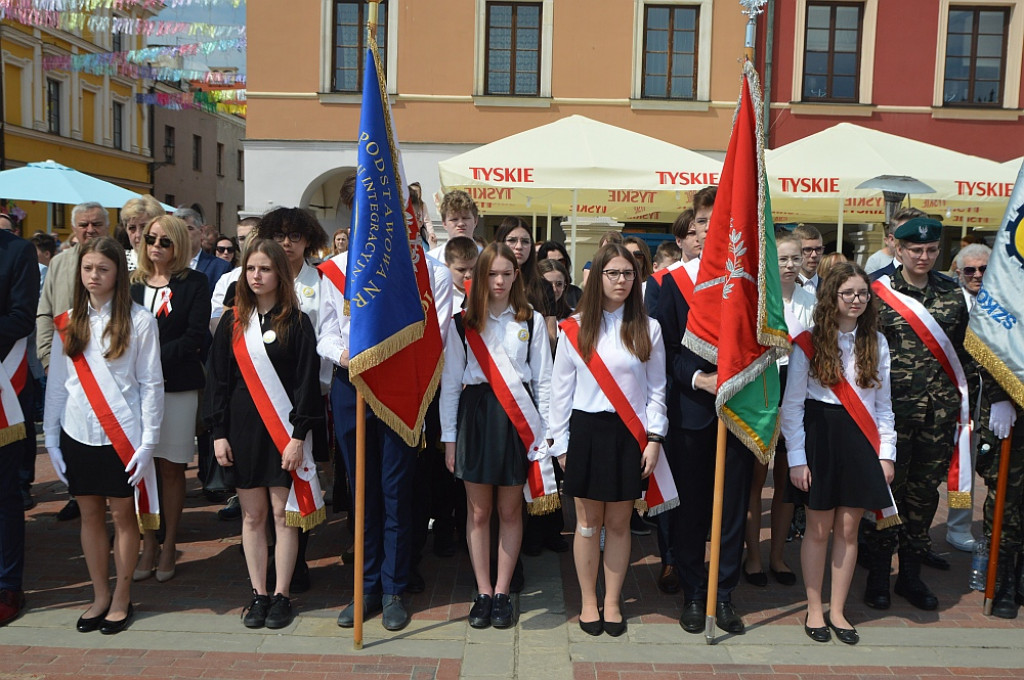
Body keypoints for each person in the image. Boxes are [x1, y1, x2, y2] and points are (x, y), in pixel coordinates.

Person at [320, 217, 453, 632]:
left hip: (399, 385)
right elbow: (324, 333)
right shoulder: (336, 267)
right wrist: (347, 356)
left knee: (396, 490)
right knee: (363, 492)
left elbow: (438, 333)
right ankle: (366, 587)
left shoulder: (431, 270)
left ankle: (395, 587)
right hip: (352, 383)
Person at [45, 237, 163, 634]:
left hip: (122, 435)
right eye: (87, 268)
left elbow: (150, 384)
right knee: (90, 516)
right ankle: (98, 595)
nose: (93, 276)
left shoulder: (140, 320)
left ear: (118, 274)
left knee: (123, 516)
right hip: (77, 431)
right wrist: (51, 438)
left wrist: (148, 442)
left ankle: (122, 596)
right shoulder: (69, 321)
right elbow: (58, 386)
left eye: (102, 269)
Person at [205, 239, 324, 630]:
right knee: (253, 517)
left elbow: (307, 385)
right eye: (251, 269)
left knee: (283, 516)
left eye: (265, 269)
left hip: (283, 433)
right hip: (242, 431)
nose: (257, 276)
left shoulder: (298, 322)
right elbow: (218, 383)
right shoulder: (232, 322)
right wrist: (218, 433)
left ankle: (282, 594)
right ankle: (258, 594)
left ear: (280, 274)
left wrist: (298, 436)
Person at [550, 244, 666, 637]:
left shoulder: (649, 328)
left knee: (618, 523)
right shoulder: (575, 326)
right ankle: (587, 600)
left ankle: (613, 601)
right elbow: (559, 392)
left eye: (629, 274)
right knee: (587, 522)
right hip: (585, 431)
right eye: (613, 273)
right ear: (597, 277)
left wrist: (654, 439)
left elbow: (657, 390)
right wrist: (561, 446)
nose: (622, 281)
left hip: (629, 435)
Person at [653, 186, 752, 634]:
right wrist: (699, 379)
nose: (712, 228)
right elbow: (666, 351)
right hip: (692, 412)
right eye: (705, 222)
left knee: (732, 511)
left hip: (740, 408)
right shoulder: (673, 281)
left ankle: (723, 594)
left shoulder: (748, 279)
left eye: (722, 222)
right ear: (693, 226)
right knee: (691, 510)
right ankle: (695, 592)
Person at [440, 243, 552, 630]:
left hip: (516, 421)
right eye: (492, 274)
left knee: (509, 510)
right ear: (479, 277)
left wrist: (547, 437)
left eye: (506, 273)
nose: (500, 281)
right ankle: (483, 591)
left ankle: (503, 592)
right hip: (476, 416)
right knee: (478, 512)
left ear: (516, 275)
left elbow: (545, 381)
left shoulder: (532, 321)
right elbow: (451, 383)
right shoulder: (461, 323)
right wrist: (450, 439)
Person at [783, 262, 896, 645]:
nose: (856, 300)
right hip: (821, 435)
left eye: (862, 293)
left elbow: (884, 406)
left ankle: (837, 609)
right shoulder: (810, 342)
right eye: (848, 293)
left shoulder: (877, 342)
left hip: (861, 440)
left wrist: (887, 453)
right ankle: (814, 608)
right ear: (831, 297)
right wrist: (797, 458)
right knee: (817, 527)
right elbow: (793, 406)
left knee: (849, 529)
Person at [862, 217, 970, 611]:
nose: (923, 257)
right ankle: (877, 576)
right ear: (898, 250)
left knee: (923, 499)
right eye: (915, 250)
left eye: (930, 250)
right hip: (890, 416)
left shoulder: (953, 293)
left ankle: (909, 576)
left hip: (938, 416)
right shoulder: (876, 293)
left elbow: (963, 355)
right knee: (885, 496)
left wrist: (967, 408)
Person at [130, 216, 211, 583]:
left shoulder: (194, 283)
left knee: (171, 466)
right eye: (151, 239)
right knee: (142, 467)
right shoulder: (131, 285)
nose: (156, 246)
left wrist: (150, 359)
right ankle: (148, 539)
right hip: (135, 391)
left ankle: (169, 542)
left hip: (176, 386)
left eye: (165, 241)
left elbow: (196, 335)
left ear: (178, 245)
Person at [743, 233, 813, 588]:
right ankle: (753, 555)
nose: (789, 265)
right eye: (782, 259)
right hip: (763, 391)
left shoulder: (813, 301)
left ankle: (778, 557)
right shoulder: (757, 300)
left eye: (795, 259)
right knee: (756, 479)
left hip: (799, 394)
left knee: (787, 481)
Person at [37, 201, 111, 522]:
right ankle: (77, 493)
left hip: (110, 367)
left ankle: (115, 493)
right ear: (74, 227)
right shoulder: (60, 263)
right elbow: (44, 310)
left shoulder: (121, 261)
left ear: (106, 227)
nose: (89, 230)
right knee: (73, 431)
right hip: (67, 366)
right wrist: (46, 358)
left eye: (95, 224)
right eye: (83, 225)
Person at [0, 226, 39, 626]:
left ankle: (8, 584)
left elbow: (21, 318)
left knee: (4, 494)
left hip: (1, 391)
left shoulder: (16, 251)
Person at [175, 207, 231, 297]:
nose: (184, 233)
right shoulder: (166, 264)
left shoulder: (220, 267)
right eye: (179, 229)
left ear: (201, 231)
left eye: (189, 228)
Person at [868, 208, 926, 281]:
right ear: (892, 240)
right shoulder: (875, 283)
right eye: (908, 236)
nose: (915, 242)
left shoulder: (942, 284)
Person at [428, 190, 479, 262]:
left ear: (475, 221)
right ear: (444, 223)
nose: (460, 224)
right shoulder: (432, 259)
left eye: (465, 218)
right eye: (454, 219)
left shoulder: (487, 259)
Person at [120, 195, 164, 272]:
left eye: (144, 227)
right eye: (132, 228)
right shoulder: (118, 261)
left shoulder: (169, 262)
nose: (138, 235)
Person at [536, 240, 582, 309]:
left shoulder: (576, 294)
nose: (557, 265)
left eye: (561, 261)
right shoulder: (530, 296)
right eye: (551, 262)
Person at [445, 236, 479, 312]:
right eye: (461, 270)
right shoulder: (442, 293)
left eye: (473, 269)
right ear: (447, 267)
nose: (468, 275)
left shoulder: (486, 291)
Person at [794, 224, 824, 294]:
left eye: (818, 249)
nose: (814, 255)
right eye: (808, 250)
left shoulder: (829, 288)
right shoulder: (785, 288)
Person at [409, 182, 437, 248]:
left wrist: (431, 233)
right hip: (409, 234)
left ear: (420, 193)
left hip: (419, 233)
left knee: (424, 250)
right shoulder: (406, 205)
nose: (414, 194)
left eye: (416, 192)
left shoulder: (422, 205)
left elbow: (427, 221)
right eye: (412, 191)